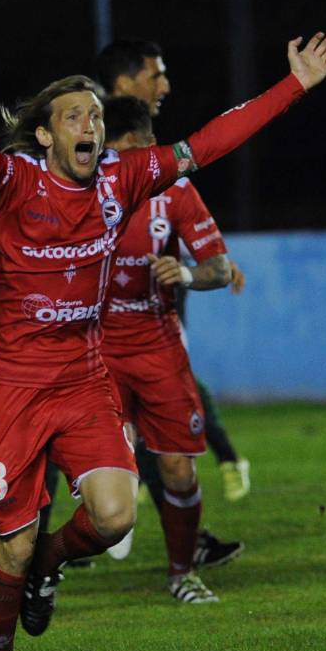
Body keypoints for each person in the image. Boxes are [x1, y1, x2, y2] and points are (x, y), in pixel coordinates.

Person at [0, 17, 326, 651]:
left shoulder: (123, 178)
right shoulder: (14, 184)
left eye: (94, 113)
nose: (89, 124)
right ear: (45, 134)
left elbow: (207, 142)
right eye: (72, 116)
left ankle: (50, 566)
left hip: (83, 378)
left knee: (115, 516)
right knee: (9, 546)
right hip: (13, 386)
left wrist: (293, 86)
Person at [98, 38, 252, 504]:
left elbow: (182, 197)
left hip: (152, 304)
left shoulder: (164, 170)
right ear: (124, 84)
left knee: (170, 388)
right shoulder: (85, 154)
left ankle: (204, 474)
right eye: (156, 75)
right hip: (92, 326)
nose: (165, 84)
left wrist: (195, 265)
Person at [99, 95, 233, 602]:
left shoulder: (176, 190)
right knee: (110, 456)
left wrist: (189, 274)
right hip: (100, 349)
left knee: (179, 467)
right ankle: (113, 497)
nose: (150, 152)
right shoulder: (84, 188)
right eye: (140, 144)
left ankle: (181, 573)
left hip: (158, 346)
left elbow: (220, 268)